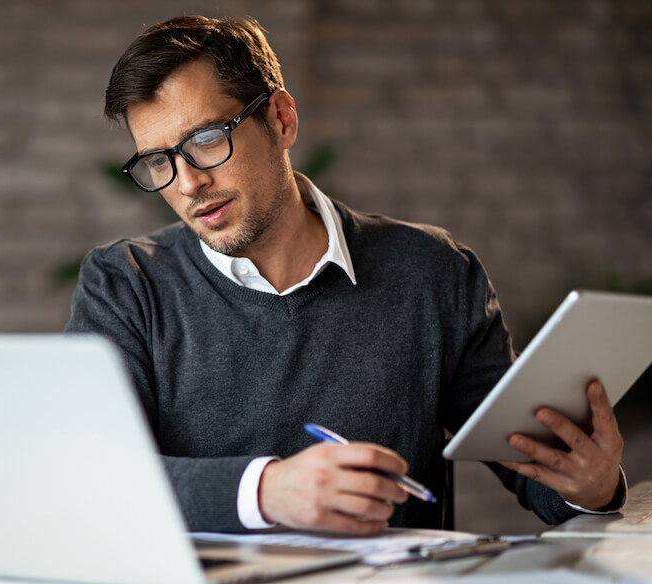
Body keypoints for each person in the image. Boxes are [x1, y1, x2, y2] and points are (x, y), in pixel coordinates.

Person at [65, 15, 626, 534]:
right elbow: (87, 474)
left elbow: (535, 471)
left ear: (281, 120)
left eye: (206, 140)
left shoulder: (434, 273)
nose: (187, 184)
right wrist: (266, 491)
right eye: (159, 161)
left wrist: (591, 487)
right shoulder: (125, 284)